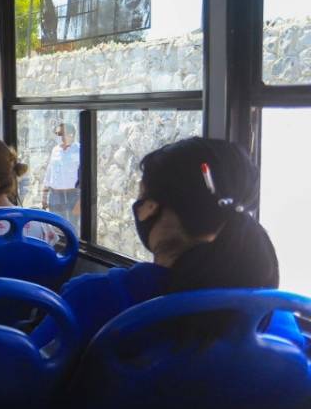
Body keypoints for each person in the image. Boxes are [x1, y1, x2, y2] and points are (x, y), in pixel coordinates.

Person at [36, 137, 301, 348]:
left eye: (143, 197)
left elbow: (26, 371)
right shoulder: (278, 320)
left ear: (155, 208)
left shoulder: (93, 300)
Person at [42, 122, 80, 226]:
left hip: (73, 195)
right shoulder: (55, 150)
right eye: (57, 134)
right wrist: (44, 195)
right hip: (55, 195)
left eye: (61, 134)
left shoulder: (79, 150)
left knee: (72, 226)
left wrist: (81, 200)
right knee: (56, 225)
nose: (60, 137)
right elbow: (49, 172)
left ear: (71, 134)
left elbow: (85, 177)